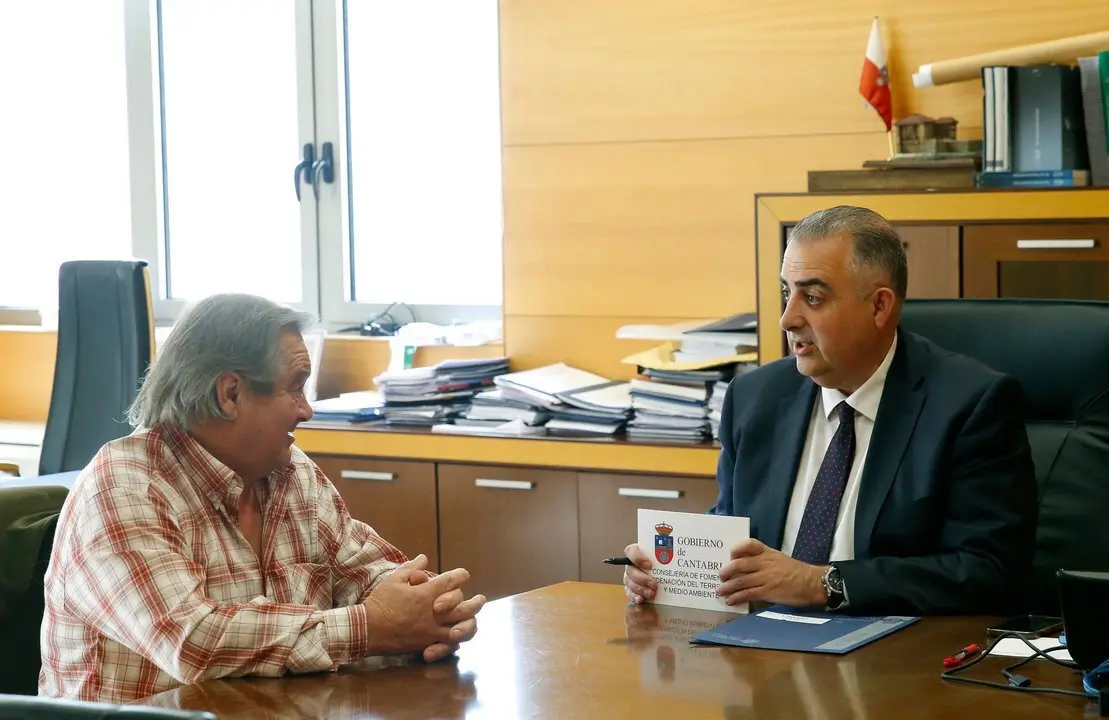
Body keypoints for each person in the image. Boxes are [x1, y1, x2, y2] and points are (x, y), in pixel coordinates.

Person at [39, 293, 485, 702]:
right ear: (230, 393)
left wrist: (428, 608)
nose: (306, 410)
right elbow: (193, 641)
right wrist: (370, 628)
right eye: (295, 387)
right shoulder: (124, 487)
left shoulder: (290, 472)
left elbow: (366, 572)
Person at [623, 205, 1038, 616]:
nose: (787, 319)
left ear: (879, 306)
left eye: (813, 297)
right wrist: (668, 572)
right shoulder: (753, 397)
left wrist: (823, 584)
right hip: (760, 643)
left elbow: (987, 569)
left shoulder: (969, 405)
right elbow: (731, 531)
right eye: (787, 293)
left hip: (893, 646)